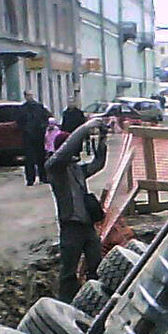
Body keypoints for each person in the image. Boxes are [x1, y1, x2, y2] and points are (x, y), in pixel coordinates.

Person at [46, 119, 107, 301]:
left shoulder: (76, 170)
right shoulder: (54, 168)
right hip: (71, 227)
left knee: (96, 266)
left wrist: (102, 139)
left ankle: (95, 301)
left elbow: (98, 164)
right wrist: (85, 128)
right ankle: (66, 305)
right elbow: (64, 152)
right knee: (68, 273)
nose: (77, 151)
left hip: (86, 226)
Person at [16, 90, 51, 185]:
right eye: (28, 95)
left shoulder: (39, 107)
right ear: (25, 97)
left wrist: (43, 127)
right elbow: (18, 122)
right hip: (28, 137)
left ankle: (43, 177)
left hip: (39, 135)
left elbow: (47, 117)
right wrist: (25, 129)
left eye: (31, 95)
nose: (30, 97)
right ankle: (30, 179)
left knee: (41, 157)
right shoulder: (22, 108)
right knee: (29, 159)